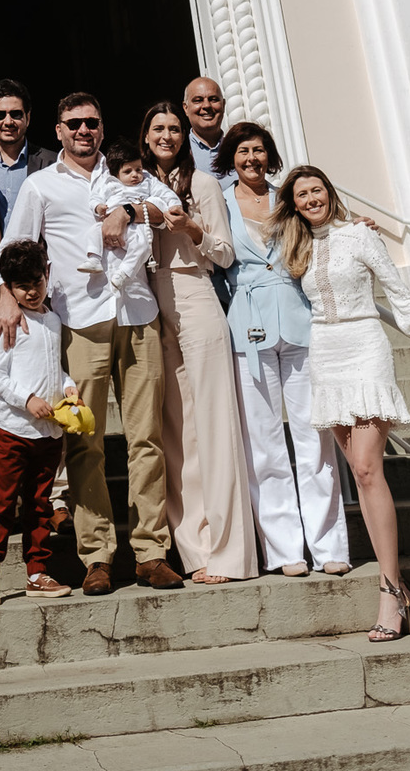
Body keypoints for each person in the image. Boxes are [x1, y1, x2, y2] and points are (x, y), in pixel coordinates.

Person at [268, 165, 410, 643]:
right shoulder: (294, 246)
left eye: (317, 188)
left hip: (364, 347)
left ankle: (389, 590)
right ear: (294, 203)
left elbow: (399, 297)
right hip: (325, 354)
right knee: (360, 476)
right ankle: (397, 584)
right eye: (301, 193)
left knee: (366, 468)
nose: (311, 198)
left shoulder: (360, 236)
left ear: (329, 192)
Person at [0, 91, 180, 595]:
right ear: (57, 130)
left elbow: (167, 212)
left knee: (147, 439)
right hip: (79, 322)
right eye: (74, 123)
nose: (84, 131)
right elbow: (15, 247)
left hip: (138, 314)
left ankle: (151, 552)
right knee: (84, 442)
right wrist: (5, 295)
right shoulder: (40, 186)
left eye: (92, 123)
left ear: (102, 127)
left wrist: (129, 208)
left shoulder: (126, 174)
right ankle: (96, 555)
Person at [218, 123, 350, 577]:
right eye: (243, 150)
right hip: (247, 325)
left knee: (315, 437)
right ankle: (285, 550)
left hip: (298, 322)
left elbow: (326, 223)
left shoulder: (287, 195)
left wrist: (358, 224)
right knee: (264, 442)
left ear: (269, 155)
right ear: (230, 157)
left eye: (259, 150)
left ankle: (329, 546)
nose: (251, 158)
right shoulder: (216, 197)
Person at [143, 99, 258, 585]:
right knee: (176, 432)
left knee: (214, 425)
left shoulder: (204, 182)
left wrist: (193, 231)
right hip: (151, 304)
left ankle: (230, 554)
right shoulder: (134, 184)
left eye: (173, 128)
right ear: (146, 135)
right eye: (158, 128)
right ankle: (194, 549)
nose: (167, 135)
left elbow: (226, 253)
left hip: (195, 294)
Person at [0, 238, 77, 606]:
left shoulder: (52, 320)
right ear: (9, 288)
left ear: (46, 276)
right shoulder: (9, 321)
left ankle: (37, 572)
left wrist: (68, 387)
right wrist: (27, 399)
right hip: (13, 432)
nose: (32, 291)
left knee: (40, 505)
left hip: (49, 434)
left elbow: (55, 367)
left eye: (37, 281)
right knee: (1, 504)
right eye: (22, 286)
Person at [80, 140, 181, 284]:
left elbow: (164, 192)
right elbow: (95, 197)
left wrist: (174, 205)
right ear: (115, 173)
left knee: (144, 244)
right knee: (93, 231)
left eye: (138, 169)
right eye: (128, 171)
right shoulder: (108, 182)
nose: (135, 175)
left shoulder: (147, 180)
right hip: (108, 222)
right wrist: (98, 207)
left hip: (136, 226)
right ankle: (94, 259)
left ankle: (124, 273)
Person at [0, 79, 56, 232]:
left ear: (28, 117)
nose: (8, 121)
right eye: (0, 115)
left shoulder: (52, 162)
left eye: (16, 114)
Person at [183, 78, 229, 182]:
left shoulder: (238, 150)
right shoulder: (178, 153)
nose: (207, 105)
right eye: (198, 100)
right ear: (186, 108)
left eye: (213, 99)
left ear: (223, 105)